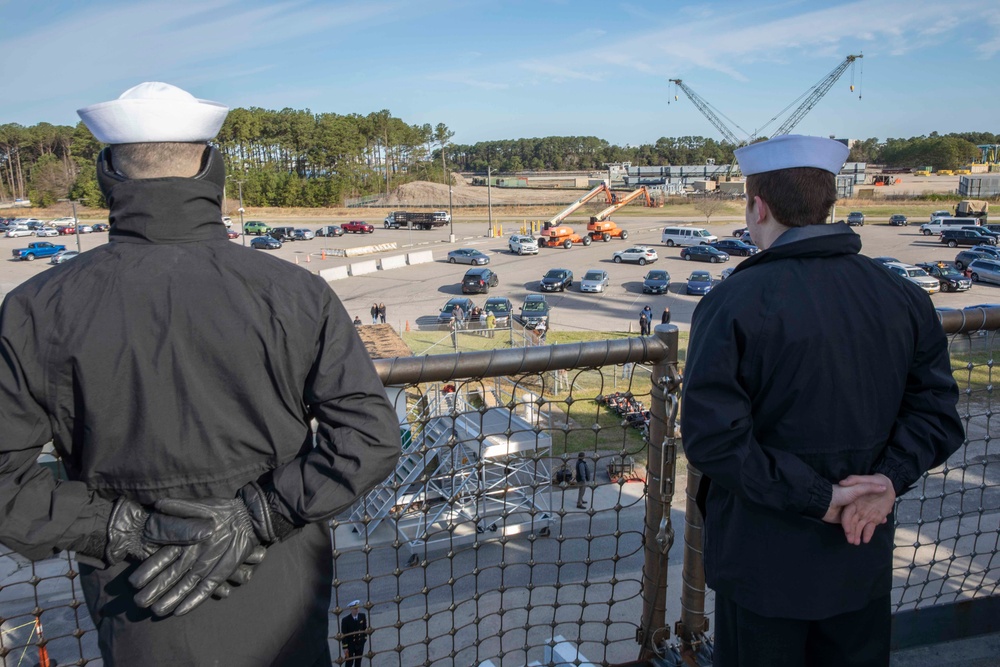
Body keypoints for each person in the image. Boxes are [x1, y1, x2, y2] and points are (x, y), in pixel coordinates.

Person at [0, 82, 401, 666]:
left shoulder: (36, 309)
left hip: (139, 599)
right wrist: (259, 515)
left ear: (108, 176)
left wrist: (121, 530)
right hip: (281, 593)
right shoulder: (295, 293)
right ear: (212, 172)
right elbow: (369, 438)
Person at [680, 135, 964, 667]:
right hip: (862, 554)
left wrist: (819, 498)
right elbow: (937, 413)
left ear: (758, 206)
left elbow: (713, 440)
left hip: (763, 568)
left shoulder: (732, 303)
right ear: (828, 204)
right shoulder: (902, 295)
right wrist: (889, 481)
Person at [341, 599, 368, 666]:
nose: (357, 610)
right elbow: (344, 635)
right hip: (350, 645)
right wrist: (345, 647)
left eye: (358, 608)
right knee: (349, 662)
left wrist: (364, 638)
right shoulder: (345, 620)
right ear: (351, 609)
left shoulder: (362, 616)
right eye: (355, 608)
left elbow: (364, 628)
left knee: (358, 662)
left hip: (359, 643)